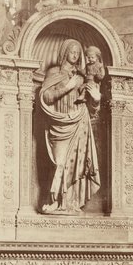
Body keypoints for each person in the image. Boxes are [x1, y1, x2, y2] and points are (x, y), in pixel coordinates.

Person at [38, 39, 101, 214]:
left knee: (77, 166)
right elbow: (46, 97)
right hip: (59, 123)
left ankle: (70, 203)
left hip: (80, 120)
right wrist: (67, 87)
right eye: (72, 51)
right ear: (65, 52)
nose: (75, 55)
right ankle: (56, 201)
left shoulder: (82, 76)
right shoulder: (54, 72)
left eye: (77, 52)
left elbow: (93, 110)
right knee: (59, 163)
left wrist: (96, 100)